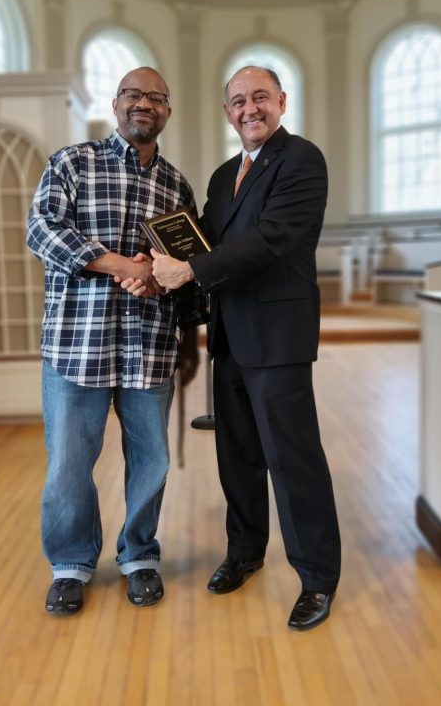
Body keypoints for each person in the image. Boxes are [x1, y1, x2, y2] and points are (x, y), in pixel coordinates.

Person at [150, 66, 341, 631]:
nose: (249, 108)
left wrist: (187, 268)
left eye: (260, 97)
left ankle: (317, 578)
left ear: (281, 101)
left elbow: (273, 236)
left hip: (279, 337)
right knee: (237, 455)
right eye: (238, 101)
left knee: (292, 458)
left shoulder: (301, 160)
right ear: (227, 111)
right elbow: (205, 236)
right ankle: (244, 552)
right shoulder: (222, 174)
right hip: (229, 335)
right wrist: (150, 264)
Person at [27, 67, 200, 615]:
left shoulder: (177, 186)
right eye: (132, 94)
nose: (142, 103)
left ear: (167, 112)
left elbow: (188, 262)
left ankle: (140, 556)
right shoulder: (72, 162)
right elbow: (43, 230)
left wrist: (156, 273)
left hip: (148, 343)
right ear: (116, 103)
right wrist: (118, 263)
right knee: (69, 463)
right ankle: (70, 564)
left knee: (151, 460)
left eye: (155, 97)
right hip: (78, 344)